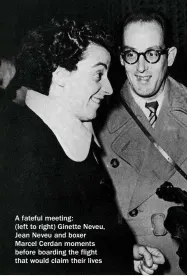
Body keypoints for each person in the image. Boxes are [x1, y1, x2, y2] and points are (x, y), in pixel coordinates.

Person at [0, 18, 164, 274]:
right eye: (99, 74)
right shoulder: (22, 147)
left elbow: (64, 239)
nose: (109, 88)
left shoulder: (62, 133)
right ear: (61, 75)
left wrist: (119, 251)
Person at [96, 9, 187, 274]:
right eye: (131, 55)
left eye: (152, 54)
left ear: (171, 56)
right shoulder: (98, 118)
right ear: (121, 57)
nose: (140, 68)